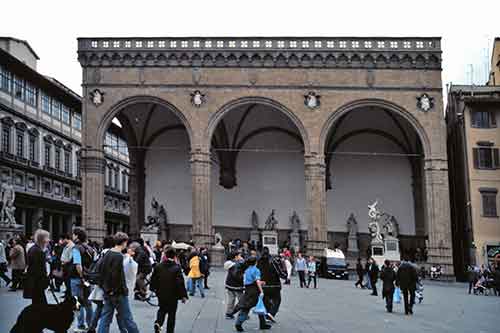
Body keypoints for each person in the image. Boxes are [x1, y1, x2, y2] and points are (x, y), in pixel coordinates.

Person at [97, 232, 140, 333]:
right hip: (118, 293)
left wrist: (105, 288)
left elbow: (101, 271)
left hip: (107, 291)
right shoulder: (118, 256)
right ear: (124, 242)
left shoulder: (107, 253)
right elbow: (117, 276)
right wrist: (119, 290)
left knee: (105, 318)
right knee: (128, 318)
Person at [150, 246, 188, 333]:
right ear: (175, 256)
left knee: (162, 309)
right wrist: (183, 296)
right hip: (173, 296)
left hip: (161, 293)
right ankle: (170, 331)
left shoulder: (158, 266)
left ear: (165, 255)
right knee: (172, 314)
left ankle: (158, 323)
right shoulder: (177, 268)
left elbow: (153, 279)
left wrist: (153, 289)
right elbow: (180, 283)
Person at [233, 256, 271, 332]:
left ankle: (262, 324)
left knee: (250, 306)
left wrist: (261, 282)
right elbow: (257, 281)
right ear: (256, 263)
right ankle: (239, 323)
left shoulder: (247, 270)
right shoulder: (256, 270)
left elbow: (248, 281)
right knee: (256, 306)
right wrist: (261, 291)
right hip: (254, 291)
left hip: (248, 290)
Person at [88, 236, 115, 333]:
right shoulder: (110, 253)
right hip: (105, 285)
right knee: (106, 309)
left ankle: (92, 327)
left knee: (100, 308)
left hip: (99, 283)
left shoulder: (101, 253)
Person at [70, 227, 95, 332]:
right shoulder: (90, 248)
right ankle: (91, 325)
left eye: (73, 234)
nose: (72, 236)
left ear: (77, 236)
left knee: (77, 302)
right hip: (88, 279)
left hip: (77, 278)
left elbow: (78, 264)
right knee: (88, 302)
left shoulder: (76, 248)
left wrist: (81, 276)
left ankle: (80, 325)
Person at [258, 247, 286, 321]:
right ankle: (271, 313)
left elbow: (256, 273)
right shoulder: (273, 261)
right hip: (274, 285)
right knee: (277, 300)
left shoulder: (259, 261)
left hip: (263, 285)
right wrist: (285, 276)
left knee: (266, 300)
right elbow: (279, 272)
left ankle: (268, 314)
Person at [23, 229, 50, 304]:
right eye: (47, 238)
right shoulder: (38, 251)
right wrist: (45, 279)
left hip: (36, 282)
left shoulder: (34, 249)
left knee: (38, 303)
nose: (49, 240)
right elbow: (38, 269)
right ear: (42, 239)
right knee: (40, 304)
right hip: (37, 283)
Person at [224, 251, 245, 319]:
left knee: (231, 299)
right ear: (236, 257)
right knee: (242, 300)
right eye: (239, 255)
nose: (241, 257)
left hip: (229, 284)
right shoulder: (237, 264)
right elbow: (238, 276)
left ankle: (228, 313)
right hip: (237, 285)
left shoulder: (230, 264)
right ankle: (243, 313)